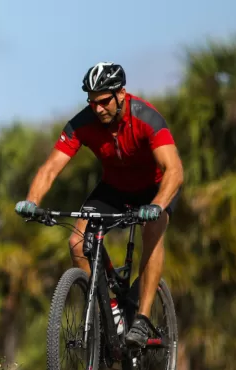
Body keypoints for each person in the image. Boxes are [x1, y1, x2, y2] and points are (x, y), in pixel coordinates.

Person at [14, 62, 184, 347]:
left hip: (155, 189)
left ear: (122, 94)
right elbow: (50, 168)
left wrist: (157, 205)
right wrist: (32, 201)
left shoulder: (146, 118)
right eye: (92, 102)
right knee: (77, 243)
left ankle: (141, 319)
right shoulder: (83, 122)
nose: (98, 108)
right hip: (114, 187)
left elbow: (175, 171)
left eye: (104, 101)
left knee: (153, 230)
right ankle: (109, 310)